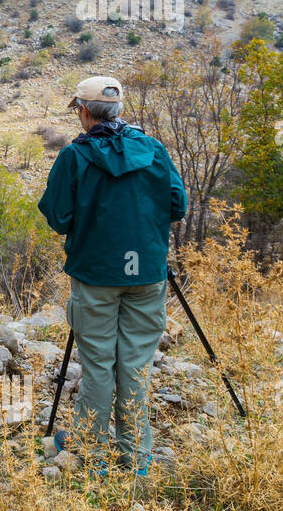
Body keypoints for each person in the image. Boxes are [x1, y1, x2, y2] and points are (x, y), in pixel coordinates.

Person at [38, 76, 186, 474]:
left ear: (84, 112)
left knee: (98, 364)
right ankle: (136, 455)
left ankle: (92, 450)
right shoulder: (153, 149)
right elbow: (178, 204)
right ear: (117, 110)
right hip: (147, 272)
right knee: (135, 365)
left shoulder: (75, 156)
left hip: (96, 274)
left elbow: (57, 215)